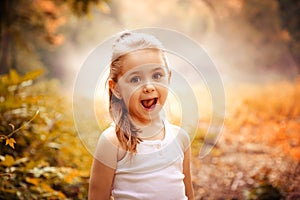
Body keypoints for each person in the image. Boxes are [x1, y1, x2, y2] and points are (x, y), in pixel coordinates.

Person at [88, 31, 195, 200]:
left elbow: (188, 194)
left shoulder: (180, 138)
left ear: (169, 77)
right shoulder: (113, 142)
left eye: (157, 75)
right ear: (116, 88)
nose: (149, 87)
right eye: (135, 79)